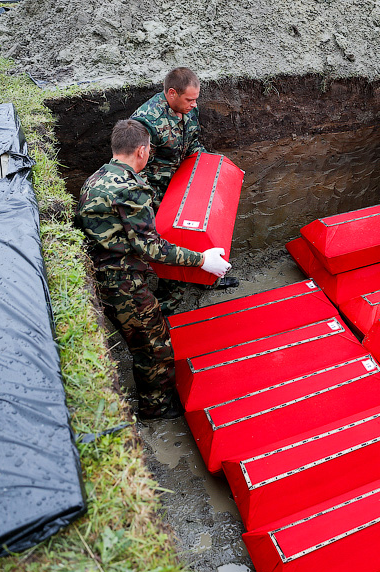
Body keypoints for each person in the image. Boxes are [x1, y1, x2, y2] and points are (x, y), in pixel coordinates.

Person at [77, 119, 231, 420]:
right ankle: (156, 408)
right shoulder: (130, 189)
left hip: (103, 276)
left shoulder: (96, 177)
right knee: (154, 347)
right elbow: (151, 248)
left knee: (145, 340)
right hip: (122, 283)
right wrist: (202, 259)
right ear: (143, 151)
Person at [132, 67, 238, 314]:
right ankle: (169, 300)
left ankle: (205, 277)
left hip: (186, 183)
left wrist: (206, 171)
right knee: (174, 241)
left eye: (196, 99)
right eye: (189, 99)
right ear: (171, 93)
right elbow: (137, 170)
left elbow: (193, 145)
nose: (194, 104)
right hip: (158, 195)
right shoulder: (146, 123)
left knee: (203, 230)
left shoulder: (189, 109)